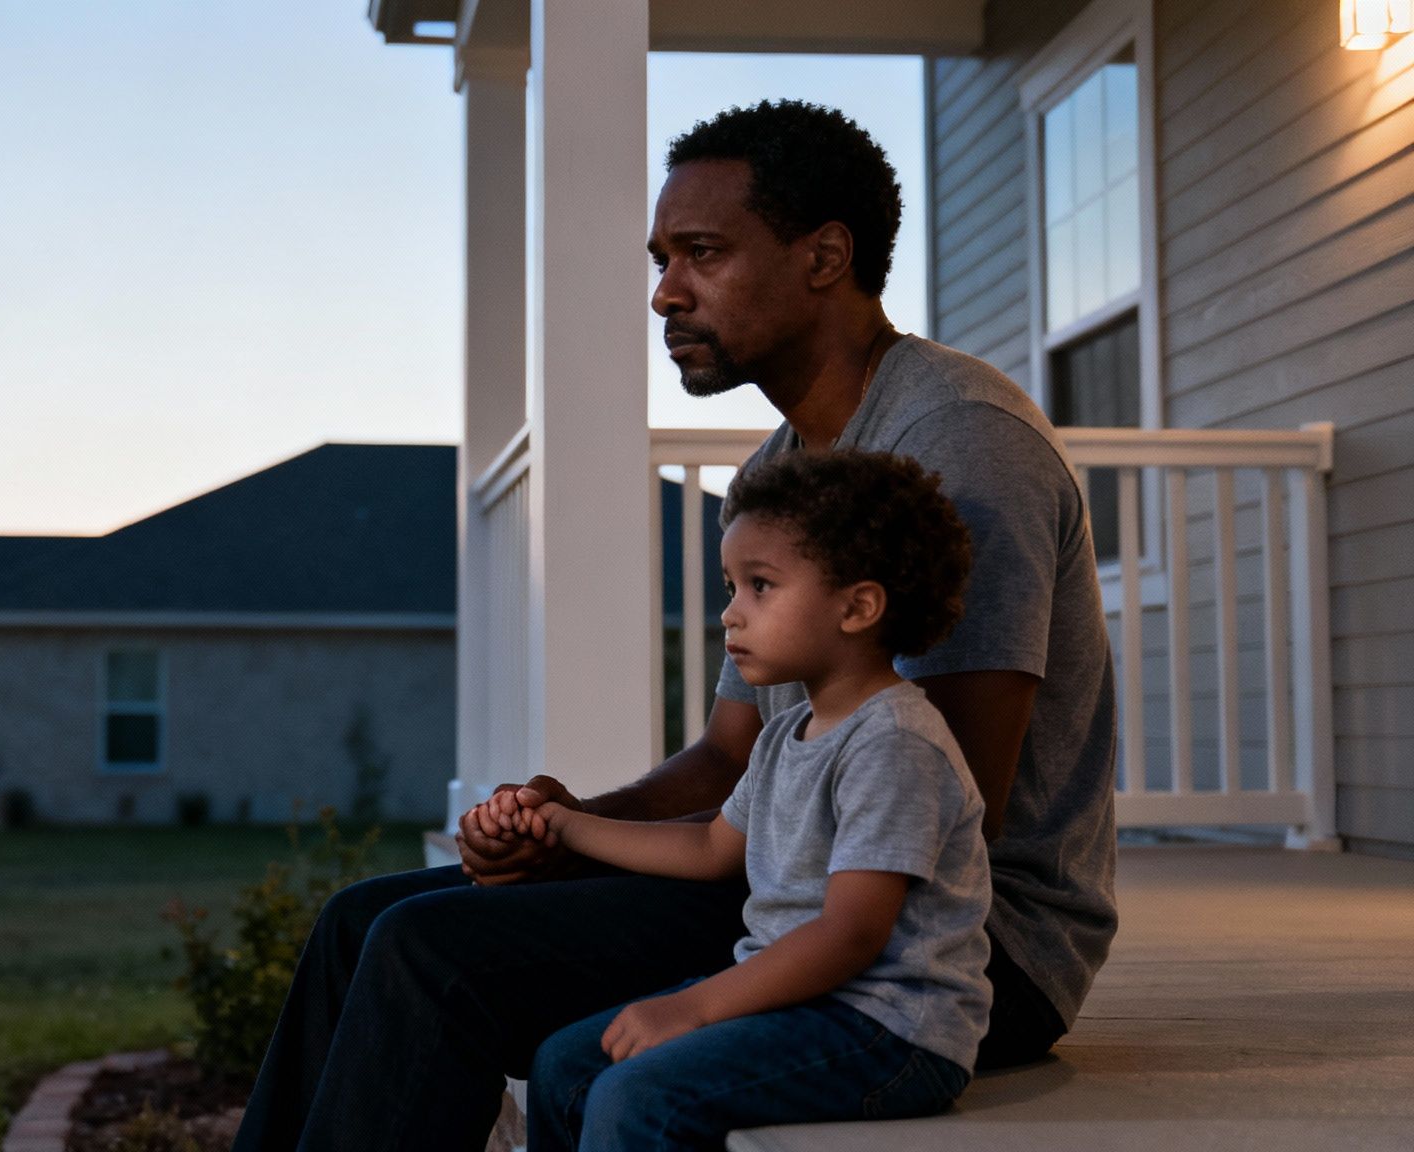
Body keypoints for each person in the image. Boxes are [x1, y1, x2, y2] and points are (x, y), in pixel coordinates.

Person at [230, 99, 1117, 1152]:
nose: (664, 293)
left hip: (939, 949)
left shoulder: (957, 441)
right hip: (794, 887)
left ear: (823, 256)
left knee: (432, 952)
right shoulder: (777, 477)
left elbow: (953, 795)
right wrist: (566, 830)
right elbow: (725, 757)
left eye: (701, 253)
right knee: (356, 925)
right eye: (660, 258)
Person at [508, 449, 989, 1149]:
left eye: (760, 586)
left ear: (858, 606)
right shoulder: (789, 727)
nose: (731, 614)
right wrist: (567, 825)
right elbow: (709, 848)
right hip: (805, 1004)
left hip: (889, 1029)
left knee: (638, 1099)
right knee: (563, 1064)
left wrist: (694, 1007)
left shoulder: (895, 741)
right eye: (731, 586)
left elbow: (851, 933)